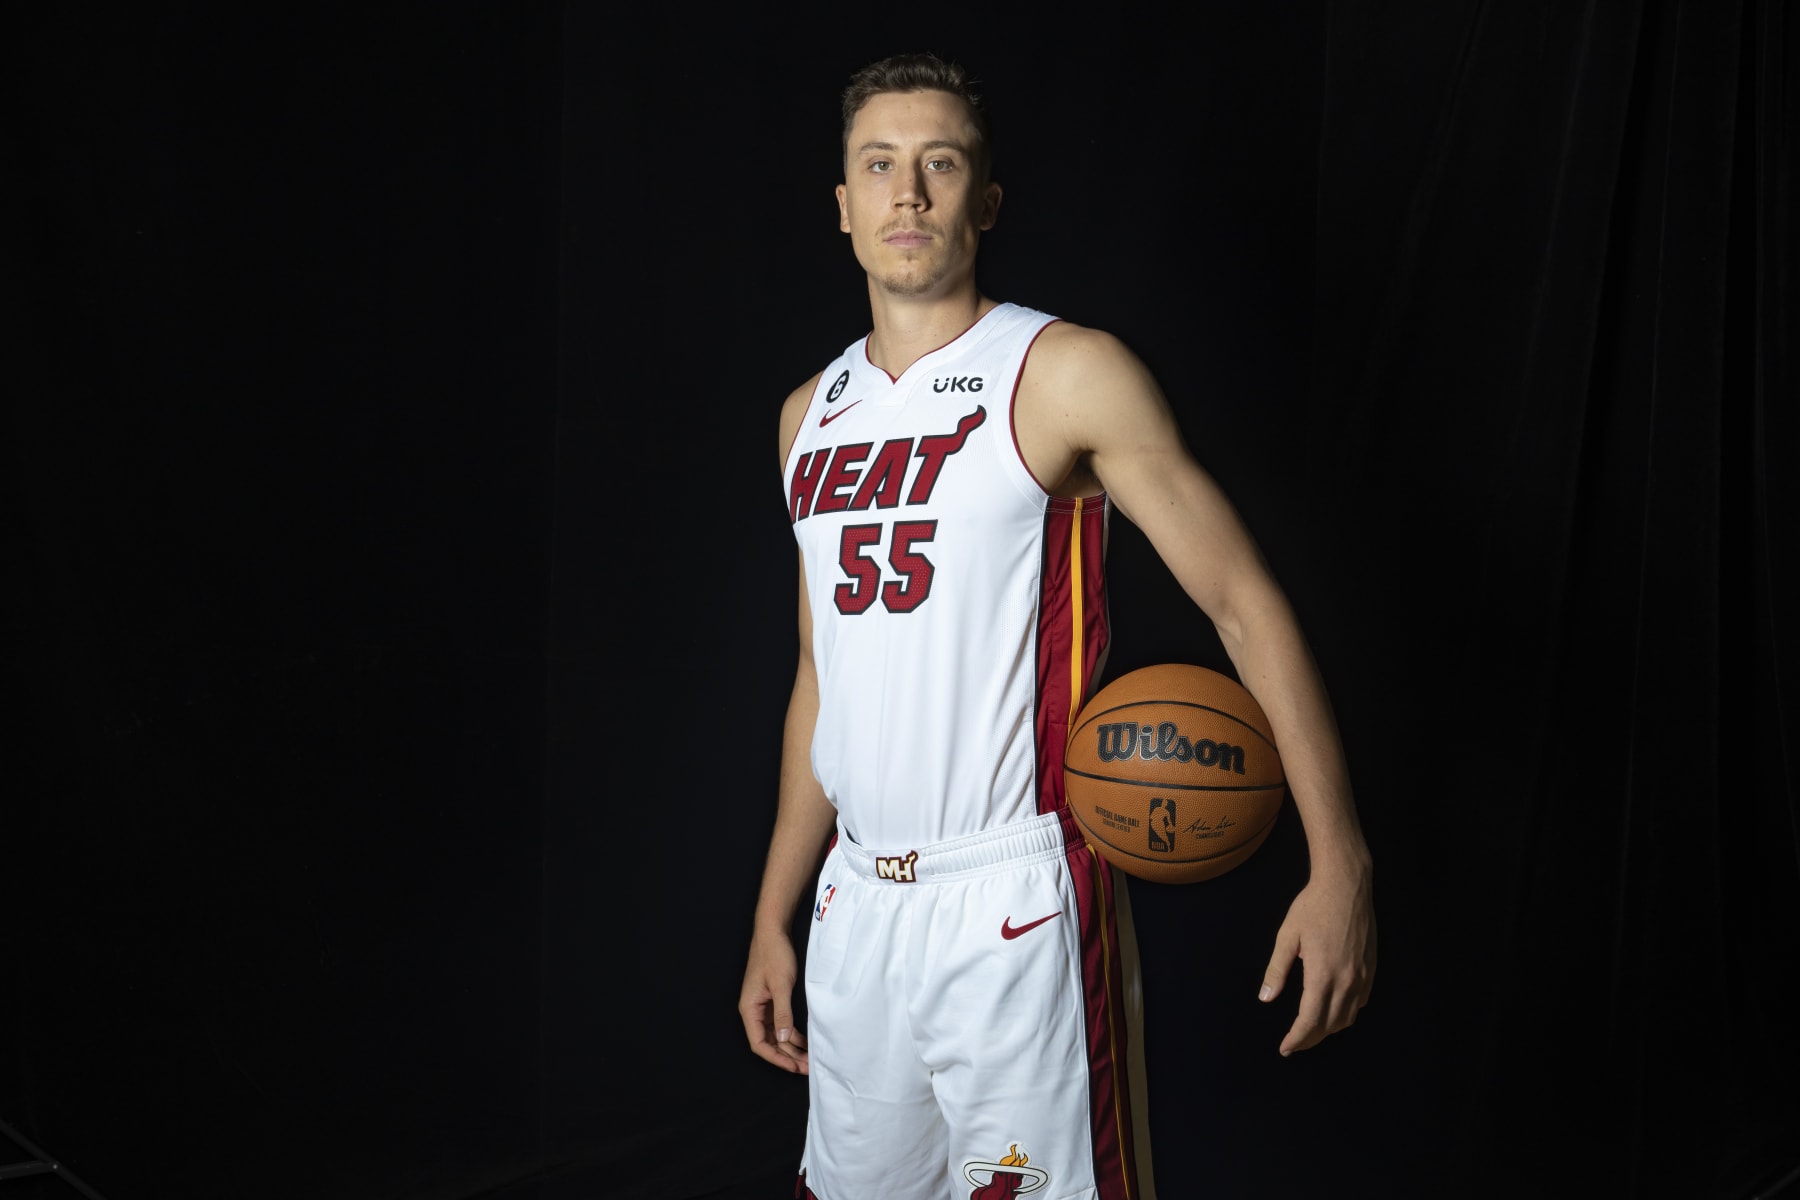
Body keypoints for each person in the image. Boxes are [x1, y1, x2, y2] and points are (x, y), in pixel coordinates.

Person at [737, 51, 1376, 1200]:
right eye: (878, 165)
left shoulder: (1064, 373)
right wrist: (774, 914)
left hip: (1015, 898)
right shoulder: (806, 417)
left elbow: (1242, 603)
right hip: (853, 905)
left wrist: (1341, 864)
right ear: (841, 205)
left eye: (940, 163)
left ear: (985, 199)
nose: (908, 192)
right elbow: (820, 677)